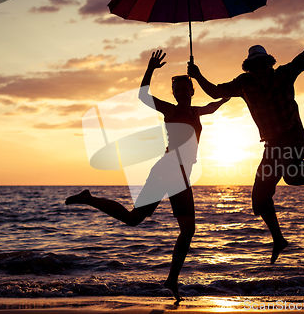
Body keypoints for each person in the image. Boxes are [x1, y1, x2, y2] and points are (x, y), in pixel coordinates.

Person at [187, 6, 304, 264]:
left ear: (270, 65)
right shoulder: (244, 85)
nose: (261, 71)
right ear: (250, 70)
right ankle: (278, 239)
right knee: (259, 200)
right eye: (255, 68)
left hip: (293, 138)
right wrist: (198, 75)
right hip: (272, 145)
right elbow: (214, 92)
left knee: (292, 177)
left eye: (264, 66)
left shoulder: (284, 75)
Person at [66, 49, 229, 303]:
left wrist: (231, 89)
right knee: (186, 229)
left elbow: (218, 102)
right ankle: (172, 279)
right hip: (169, 170)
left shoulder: (198, 112)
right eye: (178, 89)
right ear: (174, 93)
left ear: (192, 90)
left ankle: (90, 199)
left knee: (138, 220)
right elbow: (143, 96)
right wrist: (151, 68)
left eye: (187, 88)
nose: (183, 92)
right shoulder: (171, 111)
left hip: (180, 174)